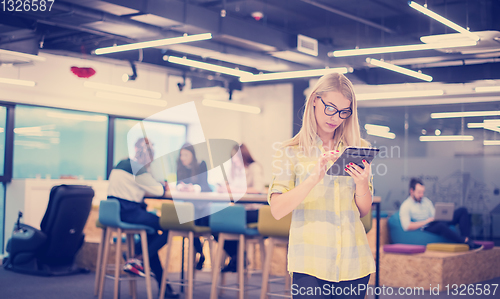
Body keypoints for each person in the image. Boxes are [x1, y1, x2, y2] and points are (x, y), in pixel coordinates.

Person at [268, 73, 374, 299]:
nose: (336, 117)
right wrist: (312, 178)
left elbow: (364, 210)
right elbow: (277, 210)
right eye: (331, 108)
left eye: (344, 111)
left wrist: (362, 183)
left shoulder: (357, 148)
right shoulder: (291, 150)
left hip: (353, 261)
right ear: (315, 99)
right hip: (310, 262)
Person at [107, 137, 179, 298]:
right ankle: (137, 257)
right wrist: (160, 184)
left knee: (152, 237)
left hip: (117, 212)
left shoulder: (121, 164)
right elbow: (159, 191)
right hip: (129, 212)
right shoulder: (137, 169)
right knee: (171, 226)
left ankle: (164, 288)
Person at [217, 143, 265, 272]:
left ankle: (237, 258)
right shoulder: (234, 170)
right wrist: (223, 188)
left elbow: (257, 189)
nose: (235, 161)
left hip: (253, 211)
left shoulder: (254, 167)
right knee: (215, 223)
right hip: (238, 211)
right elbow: (227, 185)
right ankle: (238, 257)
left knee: (221, 221)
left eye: (237, 157)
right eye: (233, 158)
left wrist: (234, 189)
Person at [399, 178, 482, 250]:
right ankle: (465, 241)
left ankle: (467, 239)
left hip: (434, 221)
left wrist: (440, 216)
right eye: (419, 192)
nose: (422, 195)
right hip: (426, 227)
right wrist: (425, 222)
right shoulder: (406, 205)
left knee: (462, 211)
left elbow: (434, 214)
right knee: (441, 226)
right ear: (411, 191)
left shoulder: (426, 201)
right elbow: (407, 226)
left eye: (423, 192)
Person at [176, 142, 210, 270]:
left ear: (192, 155)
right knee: (188, 222)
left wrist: (194, 188)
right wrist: (181, 187)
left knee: (192, 221)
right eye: (181, 155)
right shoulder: (180, 166)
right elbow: (179, 183)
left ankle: (200, 254)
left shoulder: (201, 164)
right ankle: (200, 253)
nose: (183, 158)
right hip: (188, 207)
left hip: (201, 206)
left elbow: (205, 186)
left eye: (185, 155)